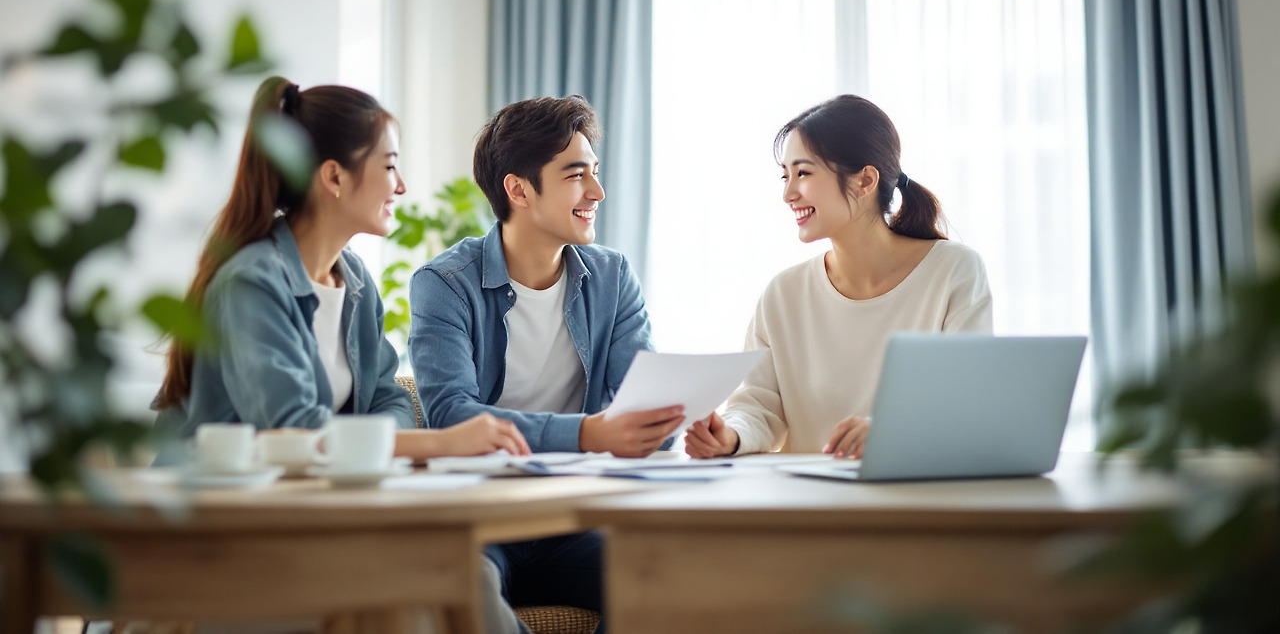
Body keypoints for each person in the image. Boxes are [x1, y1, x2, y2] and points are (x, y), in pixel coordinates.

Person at [153, 76, 530, 634]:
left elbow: (387, 396)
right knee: (420, 590)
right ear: (333, 176)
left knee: (464, 574)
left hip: (311, 526)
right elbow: (294, 430)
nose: (401, 186)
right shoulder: (253, 281)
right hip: (218, 544)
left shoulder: (352, 280)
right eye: (389, 165)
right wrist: (444, 442)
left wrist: (388, 439)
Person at [409, 94, 683, 631]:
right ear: (518, 189)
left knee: (672, 573)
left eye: (595, 173)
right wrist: (590, 434)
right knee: (463, 583)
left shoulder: (612, 277)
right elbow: (451, 415)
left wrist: (669, 419)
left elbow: (640, 405)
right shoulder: (444, 284)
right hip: (480, 520)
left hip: (573, 516)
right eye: (576, 175)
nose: (597, 192)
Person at [685, 94, 993, 460]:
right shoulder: (783, 294)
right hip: (810, 507)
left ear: (864, 181)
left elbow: (965, 402)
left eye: (803, 173)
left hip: (914, 503)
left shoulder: (953, 271)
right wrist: (731, 436)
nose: (788, 193)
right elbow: (758, 406)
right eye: (785, 176)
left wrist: (893, 430)